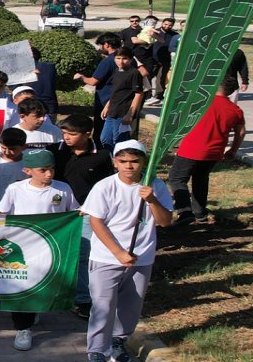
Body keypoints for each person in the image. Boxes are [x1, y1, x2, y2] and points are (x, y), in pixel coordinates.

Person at [80, 141, 173, 362]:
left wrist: (152, 200)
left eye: (134, 161)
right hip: (106, 257)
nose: (129, 166)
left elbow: (165, 221)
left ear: (144, 163)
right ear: (115, 162)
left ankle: (118, 341)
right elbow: (97, 222)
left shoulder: (155, 186)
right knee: (103, 305)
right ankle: (97, 349)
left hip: (142, 256)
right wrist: (118, 252)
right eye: (123, 161)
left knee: (132, 305)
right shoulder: (104, 186)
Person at [0, 149, 79, 351]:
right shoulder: (15, 189)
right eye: (43, 170)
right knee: (22, 285)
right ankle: (22, 328)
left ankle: (34, 310)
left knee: (43, 282)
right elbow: (2, 213)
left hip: (52, 246)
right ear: (27, 170)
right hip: (23, 247)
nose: (49, 174)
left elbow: (73, 213)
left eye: (51, 169)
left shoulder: (63, 189)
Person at [54, 114, 114, 318]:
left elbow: (106, 188)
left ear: (88, 134)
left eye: (72, 133)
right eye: (64, 132)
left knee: (83, 256)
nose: (66, 137)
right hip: (56, 214)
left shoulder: (103, 156)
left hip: (86, 214)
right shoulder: (55, 151)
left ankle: (82, 299)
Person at [167, 79, 245, 225]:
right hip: (214, 152)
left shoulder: (200, 102)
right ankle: (200, 212)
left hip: (191, 148)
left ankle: (185, 212)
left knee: (177, 178)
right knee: (201, 178)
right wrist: (233, 150)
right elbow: (241, 132)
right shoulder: (235, 110)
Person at [75, 33, 122, 132]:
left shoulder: (107, 61)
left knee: (101, 129)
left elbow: (93, 81)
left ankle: (101, 147)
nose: (99, 48)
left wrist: (81, 77)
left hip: (105, 99)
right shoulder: (127, 59)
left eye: (100, 45)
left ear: (106, 45)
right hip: (121, 99)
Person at [99, 48, 143, 153]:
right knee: (105, 139)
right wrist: (107, 106)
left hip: (123, 112)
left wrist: (130, 114)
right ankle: (112, 160)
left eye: (125, 58)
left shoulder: (134, 73)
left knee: (120, 141)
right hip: (112, 111)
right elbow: (115, 92)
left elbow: (139, 93)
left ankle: (121, 162)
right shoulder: (117, 71)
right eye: (118, 58)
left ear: (131, 59)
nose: (121, 61)